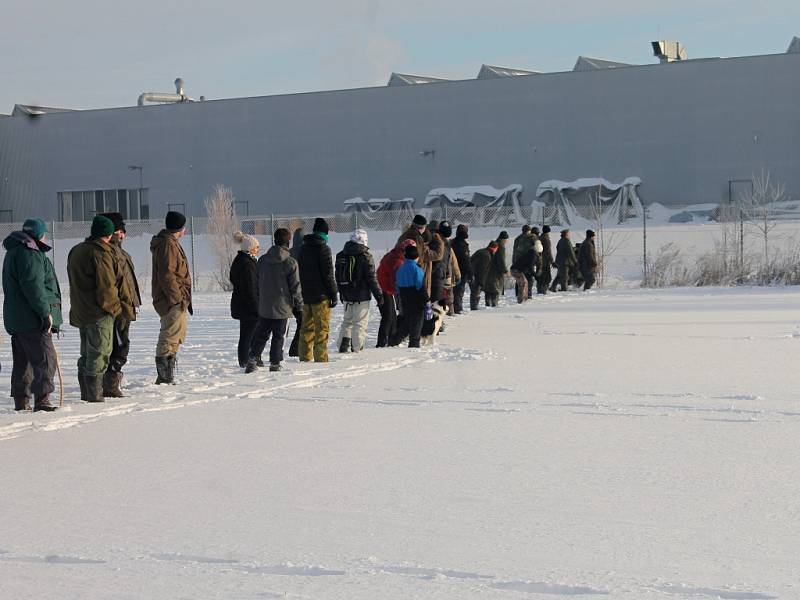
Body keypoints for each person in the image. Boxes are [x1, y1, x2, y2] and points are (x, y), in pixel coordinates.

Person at [2, 218, 62, 412]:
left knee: (23, 362)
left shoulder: (13, 251)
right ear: (39, 234)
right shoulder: (30, 253)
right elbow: (33, 287)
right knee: (45, 358)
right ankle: (42, 400)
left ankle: (22, 401)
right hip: (31, 319)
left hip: (17, 318)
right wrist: (45, 313)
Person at [67, 215, 121, 402]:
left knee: (86, 353)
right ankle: (94, 396)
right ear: (107, 234)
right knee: (100, 353)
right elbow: (107, 288)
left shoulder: (76, 250)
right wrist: (115, 309)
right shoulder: (101, 253)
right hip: (99, 312)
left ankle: (86, 393)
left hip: (81, 311)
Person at [246, 228, 302, 373]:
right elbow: (295, 287)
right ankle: (275, 363)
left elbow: (257, 282)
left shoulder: (263, 260)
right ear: (288, 242)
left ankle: (252, 359)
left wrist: (260, 299)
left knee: (261, 334)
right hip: (283, 306)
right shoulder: (290, 262)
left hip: (265, 305)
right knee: (279, 336)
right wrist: (299, 306)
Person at [98, 213, 142, 398]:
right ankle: (109, 382)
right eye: (119, 231)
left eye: (123, 232)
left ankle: (112, 380)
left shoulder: (122, 253)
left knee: (122, 344)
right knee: (118, 346)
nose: (123, 235)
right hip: (117, 308)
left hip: (126, 307)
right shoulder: (109, 253)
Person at [151, 211, 192, 384]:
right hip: (172, 300)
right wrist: (177, 298)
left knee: (176, 336)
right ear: (180, 228)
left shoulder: (170, 243)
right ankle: (164, 377)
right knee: (169, 337)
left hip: (176, 299)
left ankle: (168, 375)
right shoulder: (168, 244)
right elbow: (167, 274)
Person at [335, 229, 383, 353]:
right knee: (359, 324)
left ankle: (343, 345)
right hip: (362, 296)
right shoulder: (366, 256)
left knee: (347, 321)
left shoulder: (341, 255)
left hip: (346, 293)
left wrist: (341, 292)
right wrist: (379, 295)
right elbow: (371, 278)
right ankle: (357, 349)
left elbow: (337, 275)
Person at [298, 218, 338, 362]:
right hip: (321, 297)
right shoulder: (324, 249)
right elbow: (328, 275)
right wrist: (334, 294)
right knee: (322, 330)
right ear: (325, 234)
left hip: (306, 295)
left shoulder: (303, 248)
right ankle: (321, 360)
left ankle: (304, 357)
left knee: (306, 329)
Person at [229, 231, 260, 369]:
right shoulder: (247, 263)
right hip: (248, 305)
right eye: (256, 247)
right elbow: (250, 287)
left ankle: (248, 359)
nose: (258, 249)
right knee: (248, 334)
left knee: (247, 333)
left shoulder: (242, 260)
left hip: (242, 304)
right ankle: (246, 360)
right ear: (250, 248)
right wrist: (256, 306)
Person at [376, 239, 414, 347]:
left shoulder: (395, 254)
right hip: (385, 288)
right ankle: (382, 342)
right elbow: (396, 280)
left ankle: (391, 339)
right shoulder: (398, 261)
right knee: (388, 316)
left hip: (385, 287)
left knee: (391, 316)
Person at [395, 244, 428, 348]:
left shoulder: (400, 269)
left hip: (405, 299)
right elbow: (420, 286)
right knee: (416, 326)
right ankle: (414, 346)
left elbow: (397, 286)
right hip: (417, 301)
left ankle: (393, 342)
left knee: (406, 324)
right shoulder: (417, 269)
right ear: (416, 257)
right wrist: (427, 301)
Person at [287, 226, 304, 357]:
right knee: (302, 321)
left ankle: (293, 348)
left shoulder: (289, 253)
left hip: (287, 292)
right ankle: (295, 349)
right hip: (300, 292)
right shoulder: (306, 252)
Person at [510, 239, 543, 303]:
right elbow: (530, 267)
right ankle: (521, 300)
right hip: (516, 270)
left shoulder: (531, 252)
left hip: (517, 269)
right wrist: (535, 275)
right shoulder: (533, 255)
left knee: (525, 282)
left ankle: (524, 299)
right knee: (523, 283)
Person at [469, 240, 498, 310]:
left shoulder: (482, 251)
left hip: (470, 273)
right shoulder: (487, 256)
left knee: (474, 293)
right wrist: (482, 283)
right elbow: (482, 271)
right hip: (475, 276)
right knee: (476, 293)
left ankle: (473, 308)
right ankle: (474, 309)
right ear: (494, 248)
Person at [484, 231, 510, 307]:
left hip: (488, 270)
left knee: (488, 289)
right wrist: (505, 270)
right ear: (503, 239)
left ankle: (487, 305)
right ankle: (494, 305)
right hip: (496, 272)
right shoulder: (501, 247)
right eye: (506, 239)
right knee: (495, 289)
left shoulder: (494, 244)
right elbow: (501, 260)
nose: (506, 241)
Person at [450, 224, 471, 314]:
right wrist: (470, 272)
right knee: (459, 291)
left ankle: (454, 308)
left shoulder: (452, 243)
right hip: (461, 271)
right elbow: (466, 260)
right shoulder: (463, 245)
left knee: (453, 291)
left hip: (452, 270)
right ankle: (457, 309)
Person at [538, 225, 555, 294]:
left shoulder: (540, 237)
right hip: (545, 261)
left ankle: (540, 290)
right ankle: (544, 291)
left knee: (541, 276)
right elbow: (548, 251)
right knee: (547, 277)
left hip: (539, 260)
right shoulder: (546, 239)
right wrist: (552, 261)